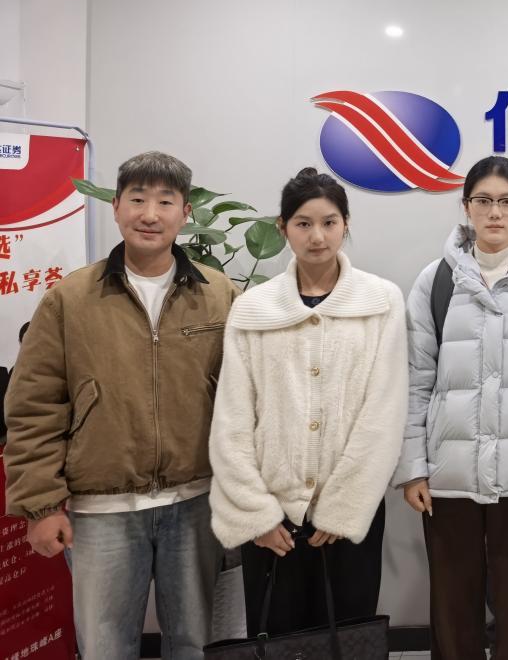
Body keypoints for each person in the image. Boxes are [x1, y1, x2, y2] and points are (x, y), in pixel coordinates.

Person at [3, 152, 238, 660]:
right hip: (101, 509)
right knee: (105, 648)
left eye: (165, 202)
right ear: (115, 207)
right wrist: (41, 505)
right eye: (137, 199)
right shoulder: (70, 299)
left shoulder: (220, 296)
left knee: (196, 646)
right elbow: (34, 407)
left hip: (195, 503)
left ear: (185, 212)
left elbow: (246, 399)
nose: (149, 214)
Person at [394, 155, 508, 660]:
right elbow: (416, 380)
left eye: (506, 201)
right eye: (483, 201)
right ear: (466, 206)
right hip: (448, 474)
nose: (495, 212)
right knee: (453, 613)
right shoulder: (436, 281)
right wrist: (414, 469)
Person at [208, 168, 407, 635]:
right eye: (303, 223)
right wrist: (255, 514)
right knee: (278, 637)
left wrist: (343, 508)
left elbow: (384, 412)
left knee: (348, 636)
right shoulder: (253, 307)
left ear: (345, 224)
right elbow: (232, 418)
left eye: (329, 222)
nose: (317, 236)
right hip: (272, 517)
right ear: (283, 227)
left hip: (350, 513)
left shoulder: (380, 300)